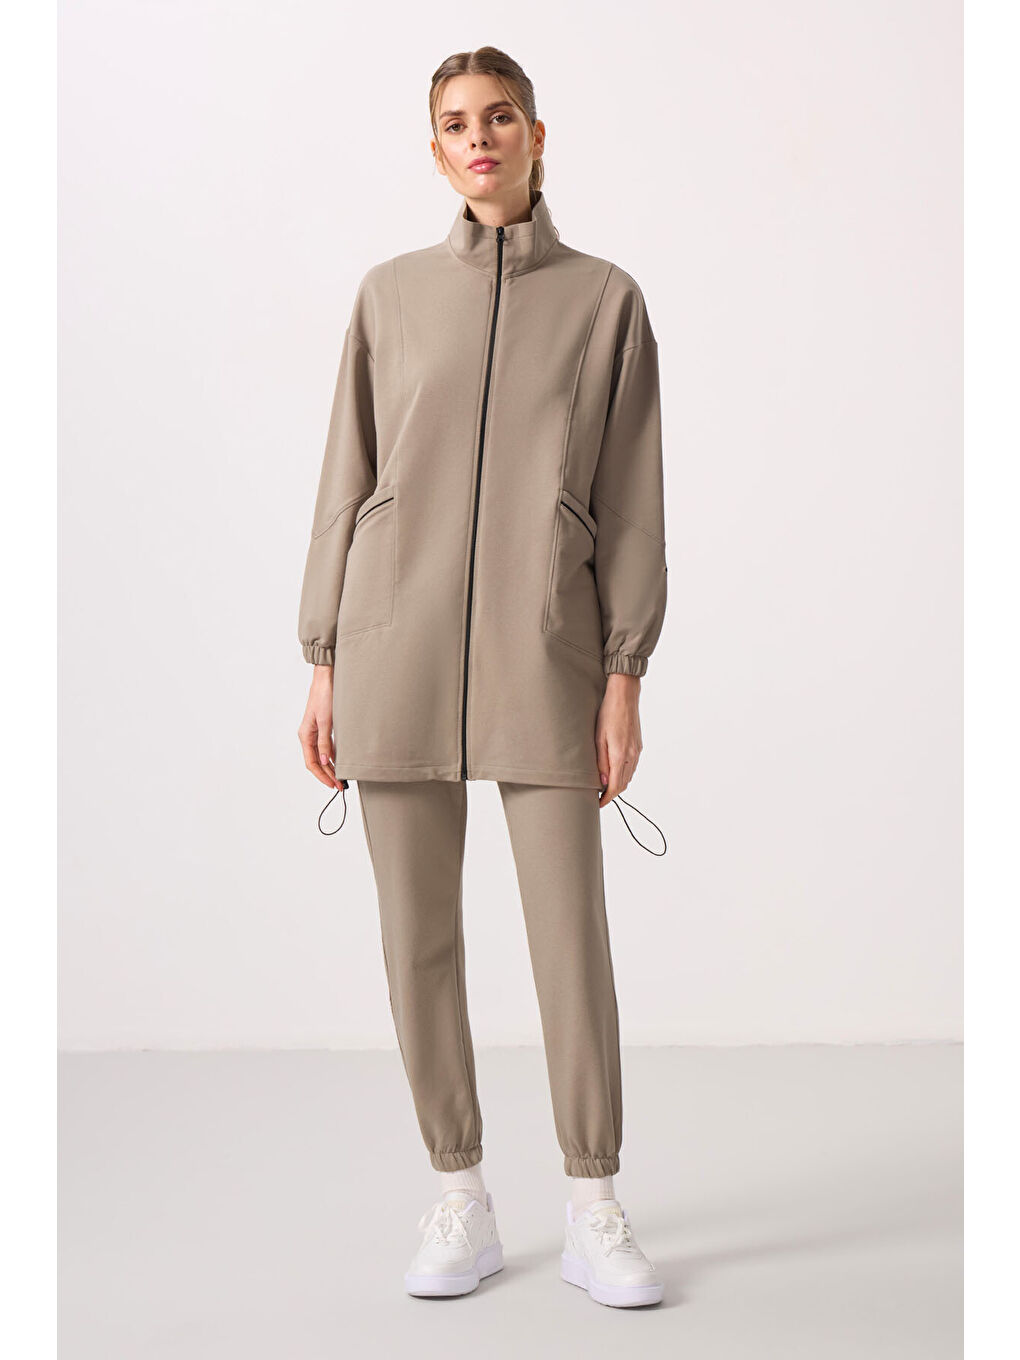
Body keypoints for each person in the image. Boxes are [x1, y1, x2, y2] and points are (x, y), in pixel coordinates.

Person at [297, 47, 668, 1308]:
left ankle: (595, 1205)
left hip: (545, 643)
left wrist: (623, 673)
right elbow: (347, 480)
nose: (479, 138)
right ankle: (459, 1193)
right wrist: (323, 660)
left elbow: (631, 501)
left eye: (499, 116)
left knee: (571, 937)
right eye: (456, 123)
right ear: (436, 149)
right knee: (419, 939)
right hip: (390, 642)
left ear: (535, 133)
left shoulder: (606, 300)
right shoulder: (390, 296)